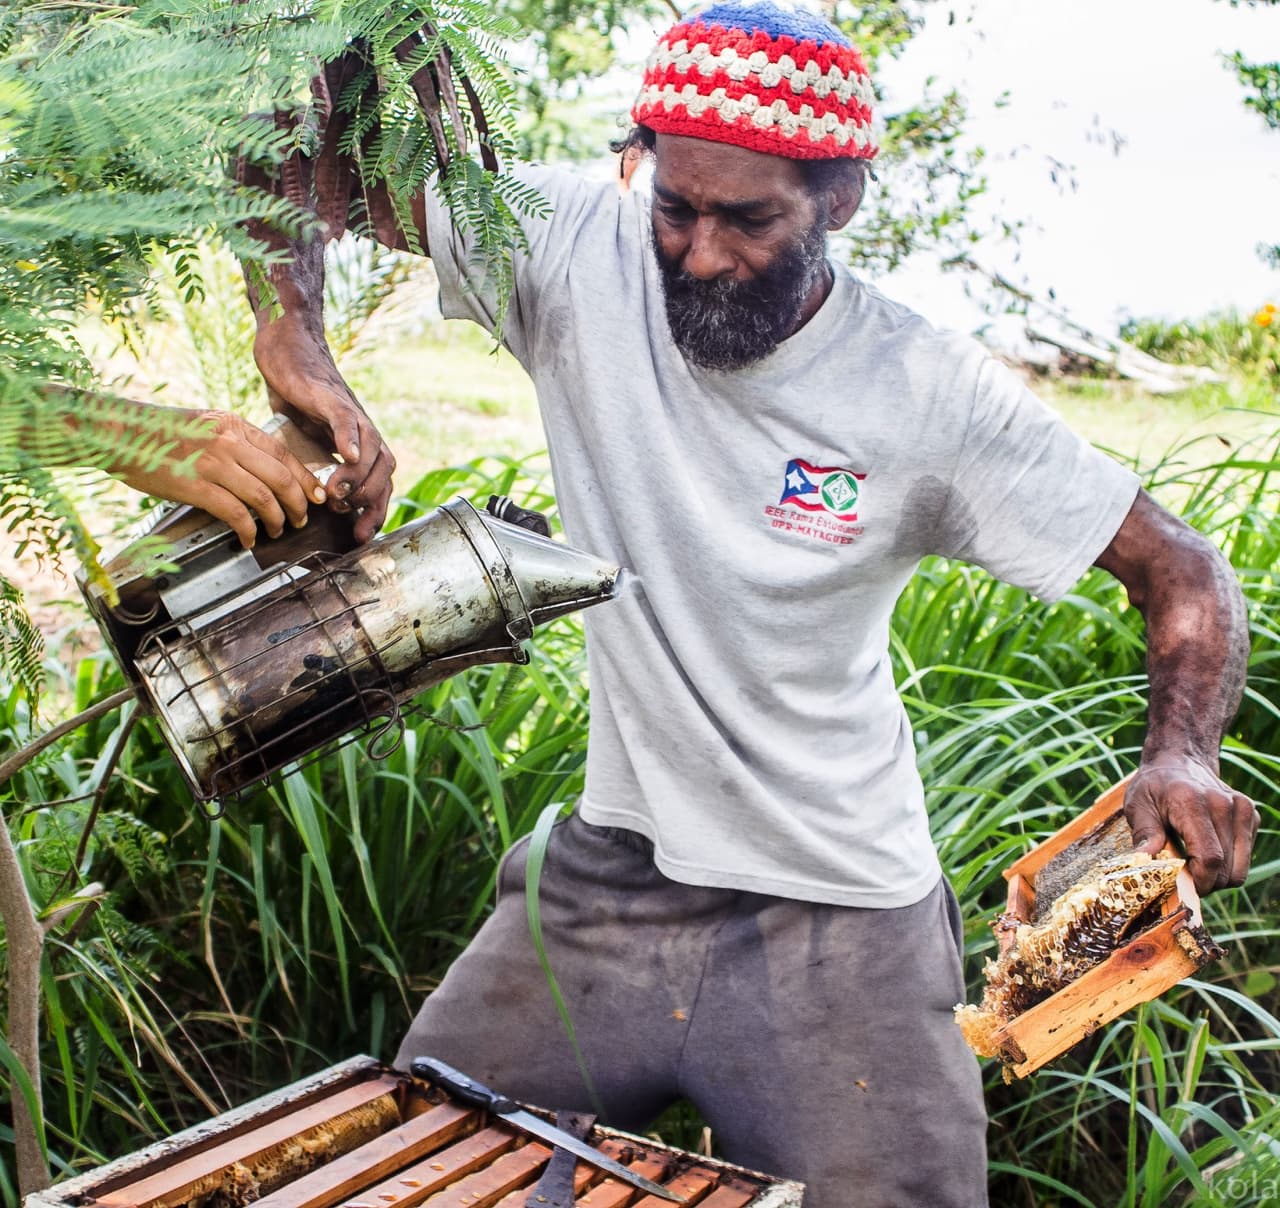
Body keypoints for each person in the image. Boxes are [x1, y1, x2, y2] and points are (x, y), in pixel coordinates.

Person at [244, 4, 1258, 1202]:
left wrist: (1181, 756)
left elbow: (1179, 567)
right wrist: (294, 336)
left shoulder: (925, 391)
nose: (701, 254)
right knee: (384, 1169)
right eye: (678, 208)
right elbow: (283, 142)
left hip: (841, 924)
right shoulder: (574, 248)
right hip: (606, 889)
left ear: (840, 201)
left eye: (749, 219)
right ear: (644, 172)